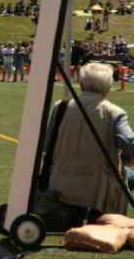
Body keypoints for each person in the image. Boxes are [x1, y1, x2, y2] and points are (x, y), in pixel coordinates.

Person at [46, 63, 134, 218]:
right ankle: (99, 217)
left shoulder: (61, 106)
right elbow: (130, 144)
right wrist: (127, 159)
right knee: (129, 175)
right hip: (98, 182)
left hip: (60, 177)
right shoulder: (115, 113)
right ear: (107, 88)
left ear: (81, 85)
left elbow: (47, 144)